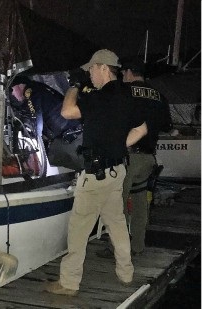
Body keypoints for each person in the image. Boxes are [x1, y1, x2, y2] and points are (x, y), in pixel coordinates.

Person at [45, 49, 147, 296]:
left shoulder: (98, 98)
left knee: (78, 230)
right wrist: (117, 146)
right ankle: (126, 274)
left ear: (103, 68)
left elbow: (67, 111)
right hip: (116, 171)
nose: (89, 73)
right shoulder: (127, 96)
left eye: (91, 69)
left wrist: (74, 85)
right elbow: (142, 129)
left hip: (95, 176)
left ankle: (68, 283)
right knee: (118, 225)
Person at [96, 57, 172, 259]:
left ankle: (116, 248)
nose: (122, 77)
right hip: (148, 158)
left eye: (123, 74)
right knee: (139, 203)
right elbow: (166, 126)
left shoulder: (125, 92)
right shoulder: (159, 96)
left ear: (129, 72)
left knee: (117, 205)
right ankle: (138, 245)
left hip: (128, 157)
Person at [10, 76, 82, 148]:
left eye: (13, 90)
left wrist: (37, 138)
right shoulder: (37, 86)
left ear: (20, 86)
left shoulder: (29, 92)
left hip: (64, 129)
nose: (13, 94)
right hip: (71, 126)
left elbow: (36, 116)